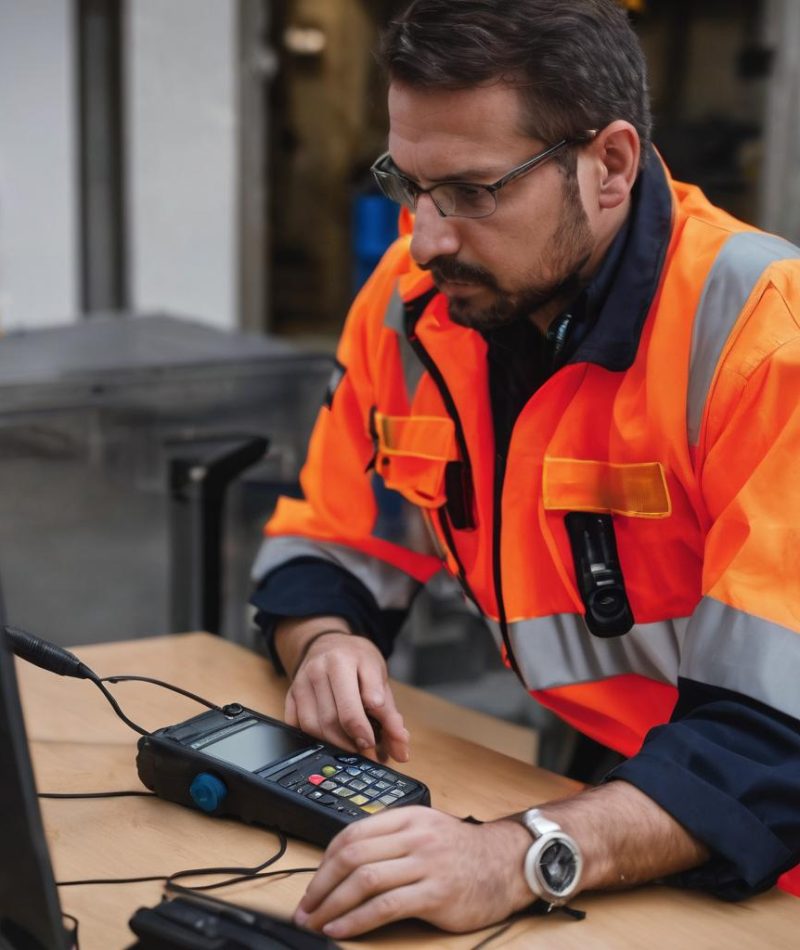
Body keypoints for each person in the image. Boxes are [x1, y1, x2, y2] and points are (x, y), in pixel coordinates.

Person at [250, 0, 800, 938]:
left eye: (470, 191)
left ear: (612, 165)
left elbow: (774, 747)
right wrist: (328, 644)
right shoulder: (416, 306)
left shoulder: (762, 340)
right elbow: (327, 543)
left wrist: (518, 852)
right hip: (604, 792)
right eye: (408, 183)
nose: (424, 238)